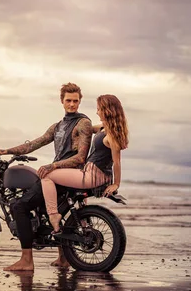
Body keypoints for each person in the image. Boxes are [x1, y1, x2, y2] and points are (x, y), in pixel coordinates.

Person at [0, 82, 93, 271]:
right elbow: (33, 144)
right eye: (68, 100)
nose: (72, 104)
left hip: (67, 175)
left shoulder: (83, 123)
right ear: (61, 101)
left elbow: (80, 158)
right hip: (60, 174)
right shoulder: (58, 126)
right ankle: (63, 258)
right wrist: (5, 150)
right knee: (46, 207)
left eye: (75, 101)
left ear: (80, 101)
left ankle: (26, 260)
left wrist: (52, 165)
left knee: (19, 205)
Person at [40, 94, 128, 234]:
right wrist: (70, 130)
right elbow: (87, 129)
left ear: (107, 110)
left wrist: (116, 184)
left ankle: (53, 215)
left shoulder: (111, 136)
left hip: (92, 176)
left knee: (47, 175)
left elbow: (116, 162)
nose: (97, 112)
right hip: (91, 173)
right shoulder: (104, 128)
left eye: (99, 109)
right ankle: (82, 222)